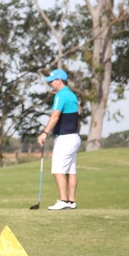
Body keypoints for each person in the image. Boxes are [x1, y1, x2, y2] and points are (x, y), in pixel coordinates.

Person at [37, 68, 81, 210]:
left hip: (65, 138)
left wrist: (44, 132)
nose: (50, 84)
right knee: (71, 170)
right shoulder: (72, 95)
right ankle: (71, 201)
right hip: (74, 137)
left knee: (58, 169)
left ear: (60, 81)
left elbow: (55, 116)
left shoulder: (60, 96)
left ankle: (63, 200)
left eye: (52, 81)